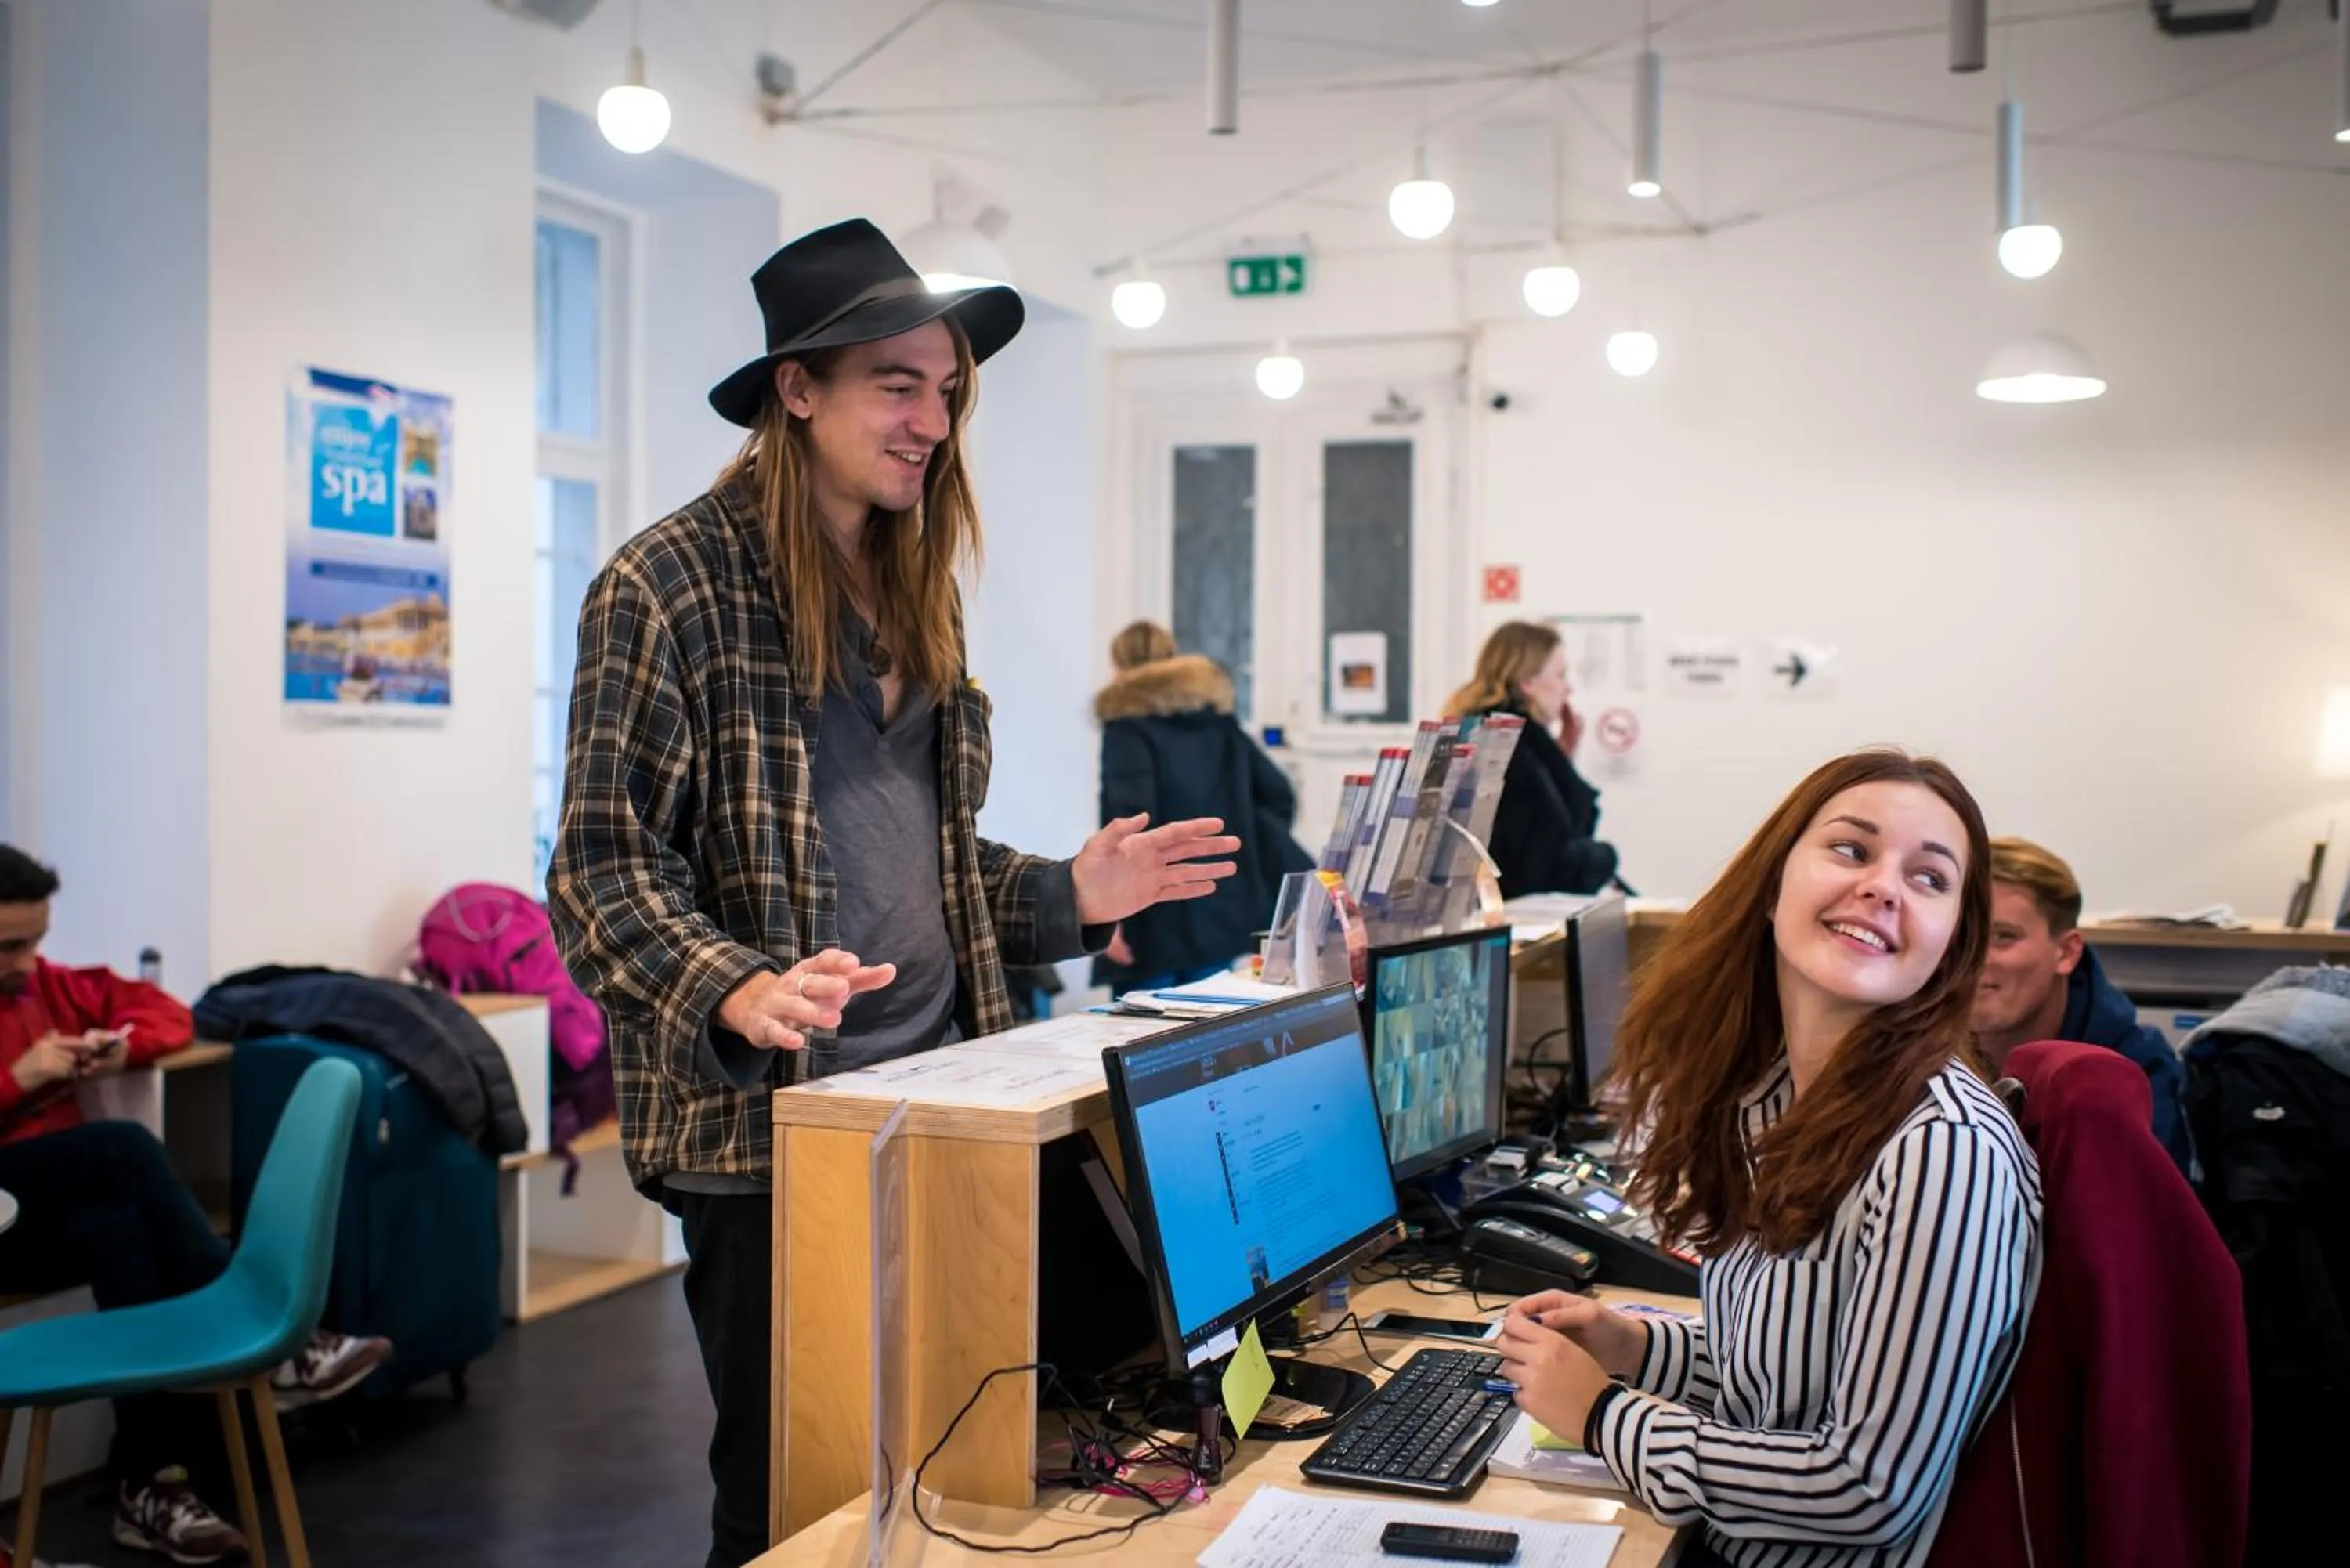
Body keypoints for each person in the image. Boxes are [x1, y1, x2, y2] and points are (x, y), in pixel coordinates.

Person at [548, 219, 1240, 1568]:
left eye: (946, 388)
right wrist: (738, 984)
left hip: (946, 1094)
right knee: (797, 1499)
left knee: (953, 1468)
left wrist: (1067, 891)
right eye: (896, 383)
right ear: (795, 389)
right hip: (774, 1133)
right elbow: (599, 867)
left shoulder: (915, 581)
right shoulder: (666, 582)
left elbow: (927, 862)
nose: (931, 418)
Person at [1491, 750, 2042, 1568]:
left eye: (1929, 879)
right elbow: (1791, 1376)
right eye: (1852, 851)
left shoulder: (1942, 1151)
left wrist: (1606, 1414)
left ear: (1952, 943)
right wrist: (1636, 1348)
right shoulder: (1776, 1091)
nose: (1885, 887)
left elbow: (1869, 1488)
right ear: (1772, 884)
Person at [0, 845, 392, 1566]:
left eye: (36, 940)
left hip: (48, 1213)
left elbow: (167, 1014)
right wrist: (15, 1080)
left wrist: (122, 1050)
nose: (28, 960)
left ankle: (151, 1487)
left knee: (116, 1229)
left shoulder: (42, 988)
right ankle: (273, 1333)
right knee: (118, 1149)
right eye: (10, 945)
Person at [1092, 621, 1310, 994]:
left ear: (1119, 665)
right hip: (1218, 903)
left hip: (1152, 913)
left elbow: (1129, 821)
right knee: (1205, 1025)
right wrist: (1245, 851)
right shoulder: (1217, 723)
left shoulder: (1128, 727)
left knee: (1142, 1032)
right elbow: (1277, 794)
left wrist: (1108, 914)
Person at [1970, 836, 2191, 1173]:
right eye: (1963, 935)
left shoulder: (2137, 1073)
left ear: (2067, 952)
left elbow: (2132, 1220)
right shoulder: (1910, 1053)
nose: (1974, 960)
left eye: (2004, 936)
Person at [1443, 621, 1618, 898]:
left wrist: (1562, 758)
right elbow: (1549, 862)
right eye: (1560, 675)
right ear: (1528, 682)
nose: (1568, 688)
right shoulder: (1509, 743)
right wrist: (1607, 857)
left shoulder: (1486, 731)